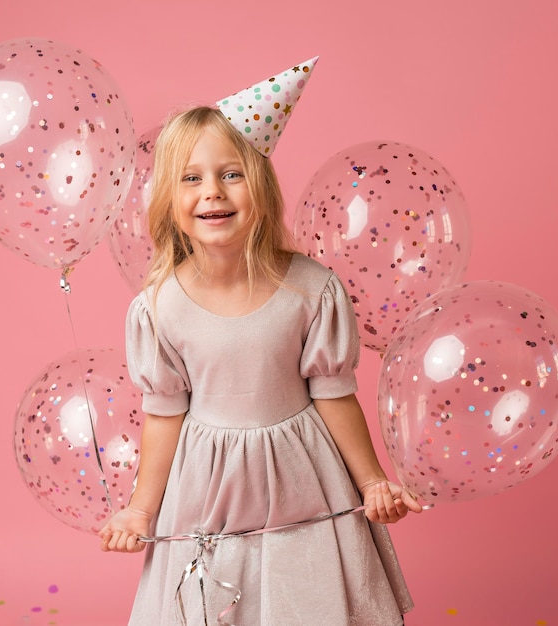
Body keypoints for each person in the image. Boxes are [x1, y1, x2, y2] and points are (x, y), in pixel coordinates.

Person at [100, 60, 424, 626]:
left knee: (308, 599)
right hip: (207, 487)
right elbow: (163, 414)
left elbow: (333, 393)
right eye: (192, 178)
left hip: (304, 479)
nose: (212, 193)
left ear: (261, 186)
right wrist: (139, 510)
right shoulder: (159, 308)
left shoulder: (312, 290)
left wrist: (373, 482)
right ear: (169, 199)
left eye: (231, 174)